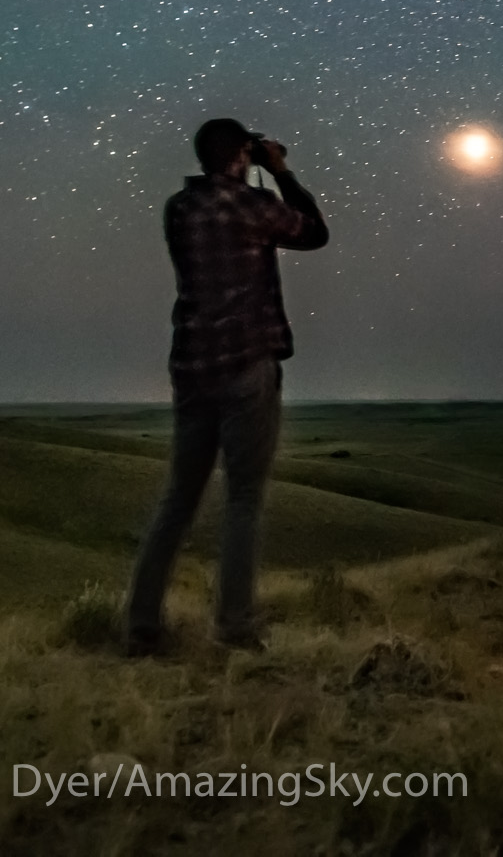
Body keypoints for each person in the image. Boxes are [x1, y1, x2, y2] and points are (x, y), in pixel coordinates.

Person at [124, 118, 330, 654]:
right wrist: (280, 171)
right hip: (245, 364)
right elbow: (314, 231)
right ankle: (235, 628)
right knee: (243, 499)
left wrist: (250, 167)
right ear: (241, 154)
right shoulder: (247, 206)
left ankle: (141, 625)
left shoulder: (180, 208)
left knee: (178, 499)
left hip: (192, 367)